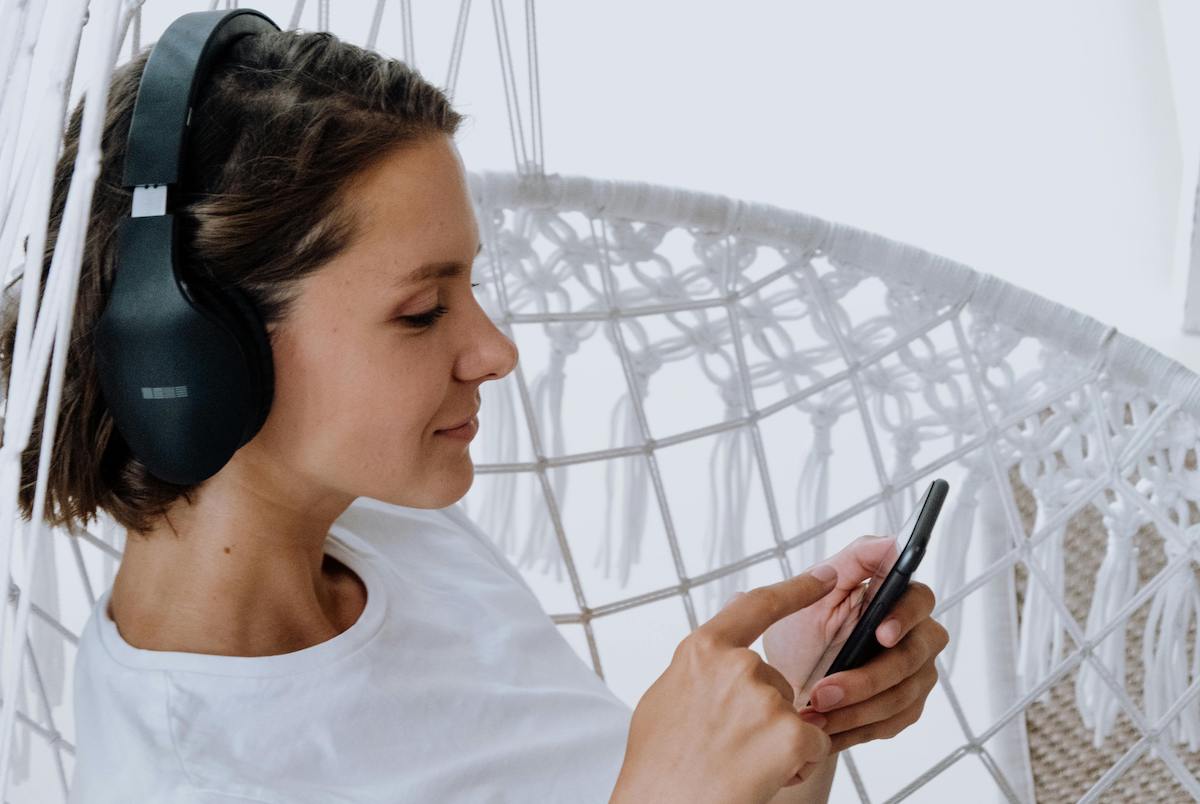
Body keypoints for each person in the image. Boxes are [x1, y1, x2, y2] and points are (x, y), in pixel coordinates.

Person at [0, 24, 947, 804]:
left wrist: (784, 714)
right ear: (196, 353)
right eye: (421, 310)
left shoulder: (395, 534)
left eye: (471, 284)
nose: (496, 351)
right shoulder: (192, 779)